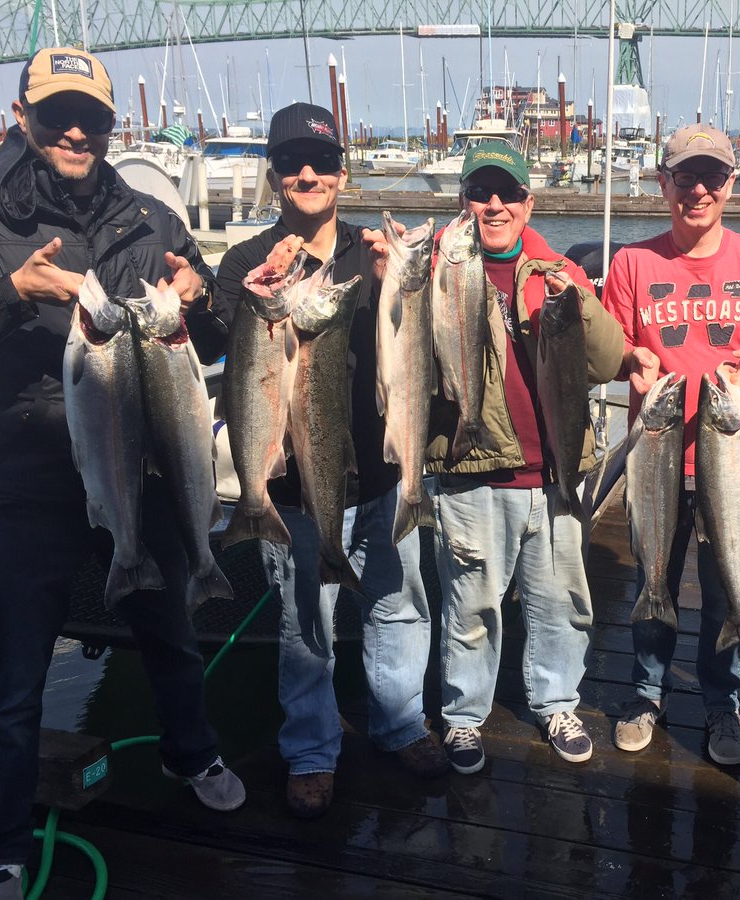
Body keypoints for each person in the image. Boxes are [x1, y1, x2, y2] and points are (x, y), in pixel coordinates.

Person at [0, 48, 244, 898]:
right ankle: (1, 840)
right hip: (26, 478)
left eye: (92, 117)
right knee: (14, 670)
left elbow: (214, 341)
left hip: (142, 466)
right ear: (22, 117)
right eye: (58, 115)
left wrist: (201, 299)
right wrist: (12, 290)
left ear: (113, 126)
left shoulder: (150, 217)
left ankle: (191, 751)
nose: (76, 131)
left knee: (171, 630)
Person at [212, 103, 447, 819]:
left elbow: (423, 348)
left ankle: (400, 722)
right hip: (296, 490)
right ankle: (312, 749)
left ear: (343, 175)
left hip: (381, 476)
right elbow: (231, 351)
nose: (306, 175)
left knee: (398, 605)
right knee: (304, 626)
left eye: (320, 163)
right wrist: (255, 300)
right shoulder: (247, 264)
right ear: (274, 177)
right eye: (290, 164)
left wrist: (400, 282)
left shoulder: (375, 255)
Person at [376, 143, 623, 774]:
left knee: (563, 603)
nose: (494, 205)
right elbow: (402, 346)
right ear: (463, 205)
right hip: (470, 475)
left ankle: (556, 702)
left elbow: (605, 361)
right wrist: (394, 275)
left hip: (556, 474)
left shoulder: (557, 269)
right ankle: (464, 716)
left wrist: (581, 301)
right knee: (471, 608)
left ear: (527, 204)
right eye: (480, 193)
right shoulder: (435, 267)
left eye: (507, 193)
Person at [603, 124, 740, 767]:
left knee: (725, 588)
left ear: (731, 184)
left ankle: (723, 704)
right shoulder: (631, 263)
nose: (699, 190)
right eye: (685, 177)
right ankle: (646, 694)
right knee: (651, 578)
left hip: (732, 459)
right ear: (664, 183)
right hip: (656, 456)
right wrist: (630, 359)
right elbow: (613, 345)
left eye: (713, 177)